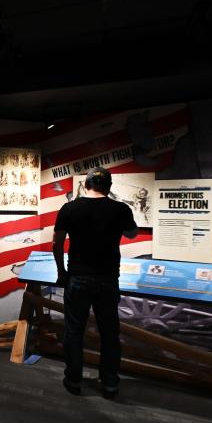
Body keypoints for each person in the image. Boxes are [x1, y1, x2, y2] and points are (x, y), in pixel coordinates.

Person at [53, 167, 137, 398]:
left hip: (78, 277)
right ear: (108, 186)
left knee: (73, 332)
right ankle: (110, 383)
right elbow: (132, 234)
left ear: (85, 185)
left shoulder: (69, 208)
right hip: (108, 278)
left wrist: (61, 272)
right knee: (110, 334)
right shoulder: (120, 209)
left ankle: (74, 380)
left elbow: (57, 243)